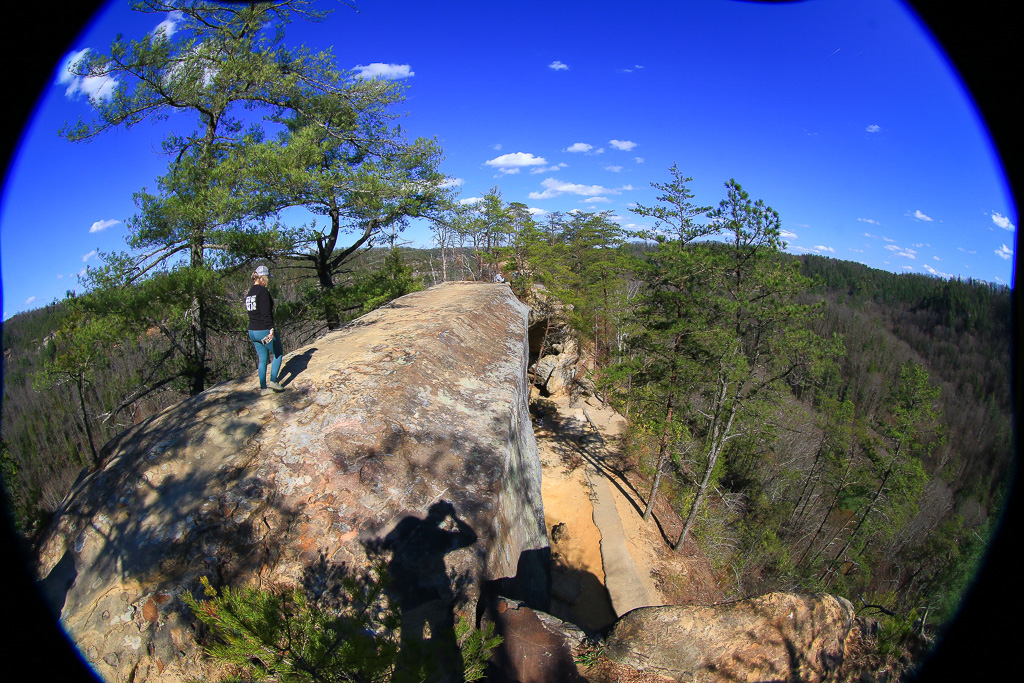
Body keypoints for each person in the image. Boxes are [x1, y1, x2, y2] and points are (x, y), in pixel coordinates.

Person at [245, 265, 284, 394]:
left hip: (252, 331)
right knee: (278, 353)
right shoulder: (263, 291)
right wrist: (271, 328)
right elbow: (266, 312)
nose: (268, 281)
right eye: (267, 278)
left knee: (262, 359)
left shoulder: (250, 292)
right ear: (263, 278)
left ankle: (263, 389)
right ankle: (273, 381)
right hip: (263, 329)